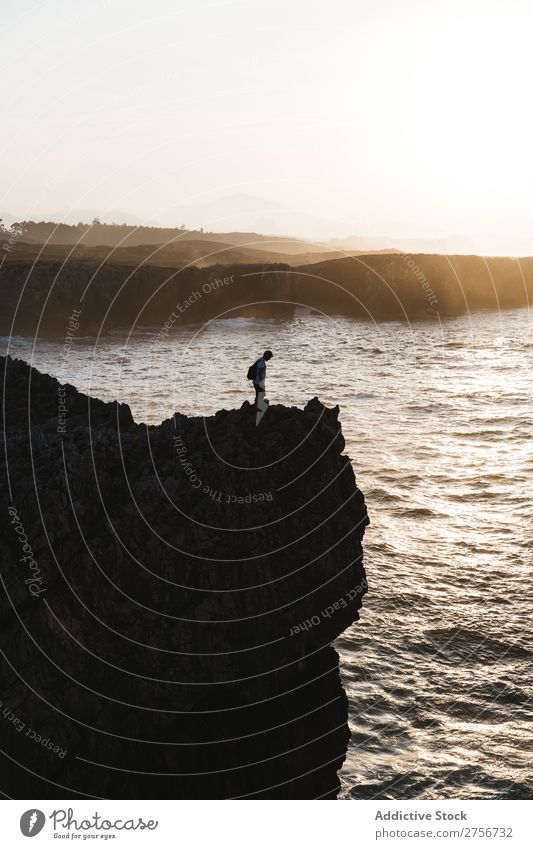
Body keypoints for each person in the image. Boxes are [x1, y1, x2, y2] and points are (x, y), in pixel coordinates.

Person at [253, 349, 273, 422]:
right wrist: (261, 382)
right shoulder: (262, 362)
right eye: (269, 357)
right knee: (261, 394)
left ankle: (257, 407)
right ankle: (258, 408)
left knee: (259, 394)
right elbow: (261, 372)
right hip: (258, 382)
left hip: (256, 381)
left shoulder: (259, 360)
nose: (269, 359)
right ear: (266, 355)